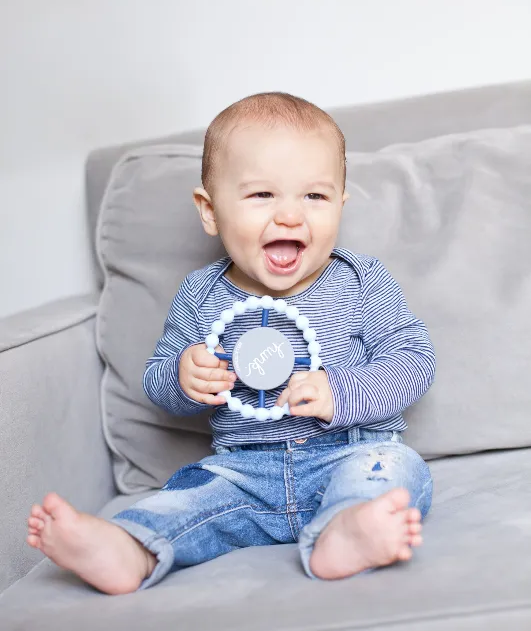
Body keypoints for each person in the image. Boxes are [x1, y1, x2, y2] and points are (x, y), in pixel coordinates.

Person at [27, 92, 435, 594]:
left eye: (315, 196)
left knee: (395, 469)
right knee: (187, 496)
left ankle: (346, 530)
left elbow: (415, 360)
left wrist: (341, 392)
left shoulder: (360, 281)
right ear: (210, 210)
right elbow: (156, 380)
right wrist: (184, 375)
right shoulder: (202, 296)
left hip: (350, 452)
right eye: (263, 195)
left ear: (340, 207)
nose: (290, 216)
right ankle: (129, 546)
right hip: (242, 469)